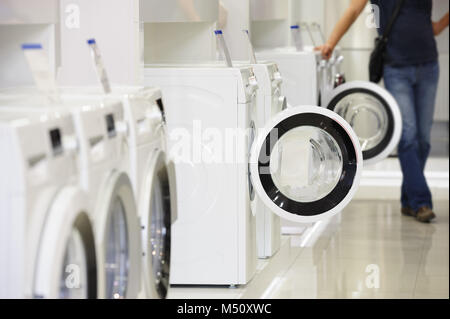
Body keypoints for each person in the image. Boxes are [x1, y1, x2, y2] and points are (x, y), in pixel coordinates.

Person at [316, 0, 449, 223]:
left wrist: (441, 24)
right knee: (408, 136)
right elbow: (353, 10)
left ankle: (408, 199)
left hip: (428, 67)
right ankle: (421, 201)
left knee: (424, 139)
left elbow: (432, 26)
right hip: (396, 69)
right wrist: (330, 43)